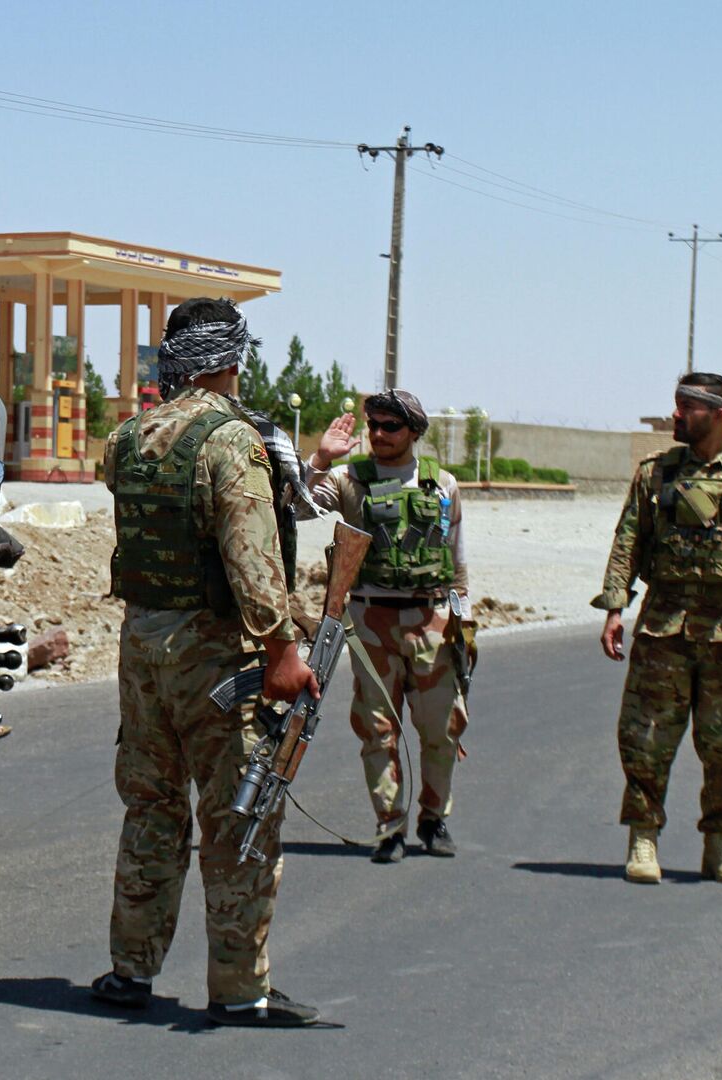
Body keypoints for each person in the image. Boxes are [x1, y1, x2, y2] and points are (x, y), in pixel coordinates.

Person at [89, 297, 322, 1028]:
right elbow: (252, 561)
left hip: (143, 648)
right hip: (217, 654)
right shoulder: (232, 440)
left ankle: (131, 970)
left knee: (152, 810)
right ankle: (240, 988)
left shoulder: (125, 438)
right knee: (238, 815)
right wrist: (284, 647)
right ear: (230, 359)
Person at [595, 373, 722, 885]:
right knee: (645, 739)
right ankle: (643, 839)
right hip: (664, 630)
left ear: (719, 414)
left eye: (687, 407)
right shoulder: (655, 474)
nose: (677, 416)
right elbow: (627, 542)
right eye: (677, 406)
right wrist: (615, 608)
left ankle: (721, 845)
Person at [304, 390, 473, 863]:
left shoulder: (443, 486)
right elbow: (294, 507)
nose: (378, 434)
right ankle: (389, 826)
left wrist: (463, 625)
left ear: (414, 433)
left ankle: (434, 819)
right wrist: (319, 457)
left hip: (432, 620)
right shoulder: (347, 480)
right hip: (369, 620)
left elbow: (457, 563)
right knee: (378, 731)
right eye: (373, 425)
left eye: (390, 427)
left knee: (442, 729)